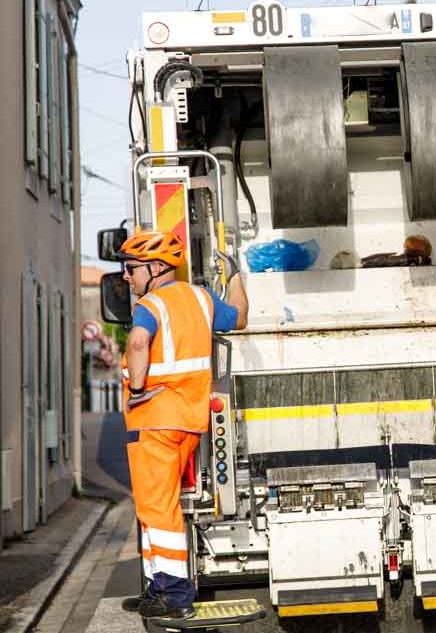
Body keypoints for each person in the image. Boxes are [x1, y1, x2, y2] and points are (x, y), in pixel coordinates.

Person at [117, 230, 248, 619]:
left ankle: (174, 596)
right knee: (157, 504)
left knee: (157, 509)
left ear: (155, 269)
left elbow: (139, 342)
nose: (126, 276)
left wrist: (138, 387)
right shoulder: (202, 298)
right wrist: (237, 276)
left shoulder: (150, 305)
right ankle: (157, 587)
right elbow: (239, 318)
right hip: (188, 422)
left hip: (154, 420)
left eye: (131, 269)